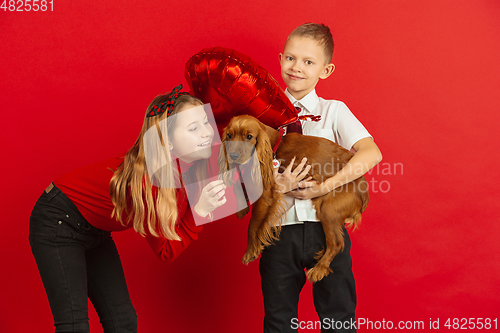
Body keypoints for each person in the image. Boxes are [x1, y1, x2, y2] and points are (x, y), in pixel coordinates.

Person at [28, 85, 228, 333]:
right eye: (194, 128)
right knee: (74, 325)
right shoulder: (153, 182)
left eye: (206, 122)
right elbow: (166, 250)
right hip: (58, 218)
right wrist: (198, 212)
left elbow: (233, 159)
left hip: (94, 230)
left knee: (122, 321)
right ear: (168, 140)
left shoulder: (187, 164)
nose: (207, 133)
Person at [259, 23, 383, 332]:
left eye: (308, 62)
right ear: (280, 58)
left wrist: (325, 187)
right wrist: (278, 185)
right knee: (278, 320)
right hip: (277, 231)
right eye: (290, 58)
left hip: (325, 232)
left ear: (325, 70)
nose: (296, 68)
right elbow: (246, 171)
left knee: (338, 317)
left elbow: (371, 154)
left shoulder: (334, 112)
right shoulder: (263, 114)